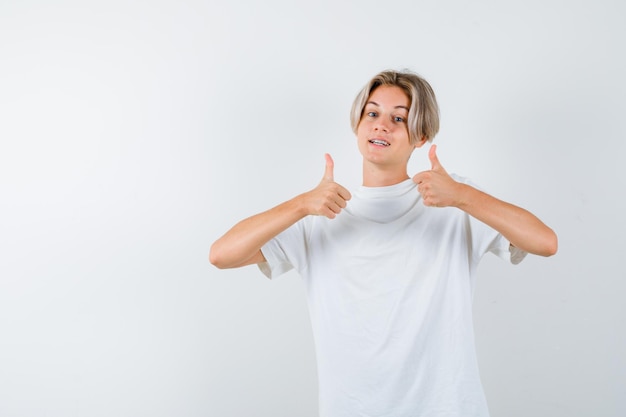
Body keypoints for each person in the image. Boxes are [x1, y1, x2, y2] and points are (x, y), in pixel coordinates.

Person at [209, 69, 557, 417]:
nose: (381, 125)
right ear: (358, 124)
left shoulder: (453, 205)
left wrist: (463, 196)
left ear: (421, 135)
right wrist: (301, 204)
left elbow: (545, 242)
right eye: (372, 113)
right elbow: (222, 255)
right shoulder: (319, 213)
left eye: (399, 118)